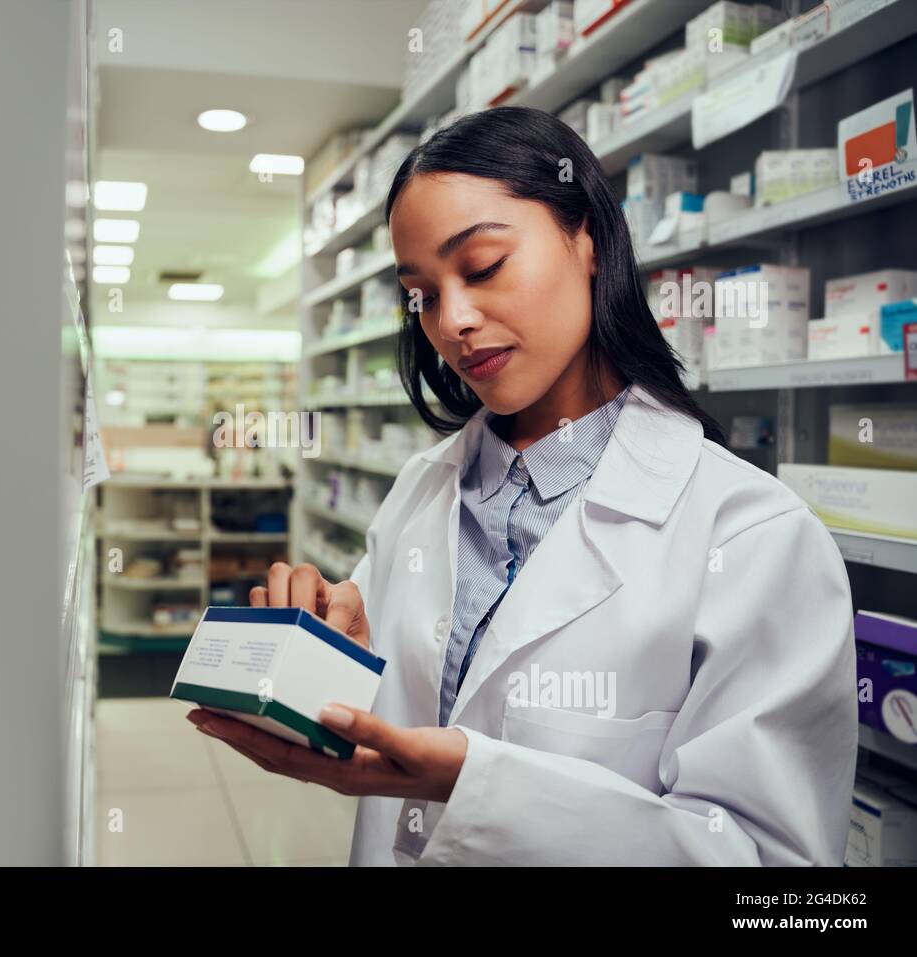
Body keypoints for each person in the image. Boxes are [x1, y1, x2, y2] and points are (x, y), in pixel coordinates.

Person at [186, 107, 858, 866]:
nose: (454, 321)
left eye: (481, 266)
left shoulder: (755, 537)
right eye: (425, 294)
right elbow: (395, 707)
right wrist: (327, 648)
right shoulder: (421, 490)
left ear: (588, 239)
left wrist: (483, 788)